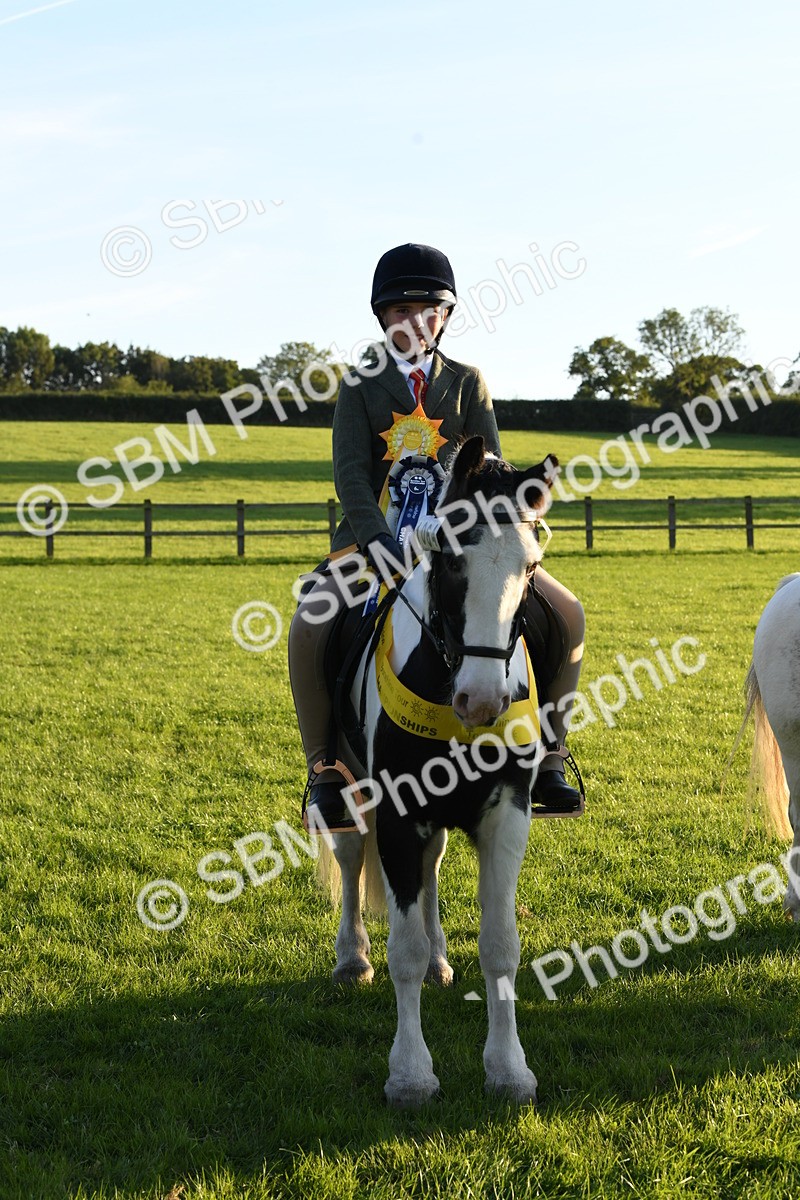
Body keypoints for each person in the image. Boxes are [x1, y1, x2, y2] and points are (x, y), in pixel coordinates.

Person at [288, 243, 585, 831]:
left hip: (462, 543)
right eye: (401, 311)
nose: (414, 321)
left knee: (568, 613)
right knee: (309, 623)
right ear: (382, 317)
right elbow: (351, 477)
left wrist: (469, 529)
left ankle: (551, 753)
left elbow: (491, 465)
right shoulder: (360, 386)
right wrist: (381, 544)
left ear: (445, 316)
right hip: (371, 542)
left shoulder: (468, 382)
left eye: (428, 310)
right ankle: (326, 768)